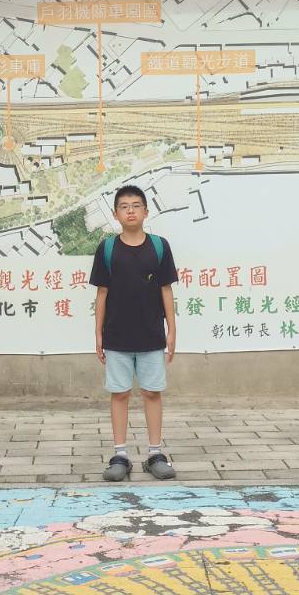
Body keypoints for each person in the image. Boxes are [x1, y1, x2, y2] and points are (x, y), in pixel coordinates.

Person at [90, 184, 178, 481]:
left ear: (146, 211)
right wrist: (98, 334)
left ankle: (155, 453)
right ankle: (120, 455)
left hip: (152, 335)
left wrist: (172, 329)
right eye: (124, 206)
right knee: (120, 393)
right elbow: (102, 293)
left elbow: (165, 290)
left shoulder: (159, 246)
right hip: (116, 336)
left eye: (136, 205)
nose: (130, 210)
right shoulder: (107, 249)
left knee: (152, 392)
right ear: (115, 214)